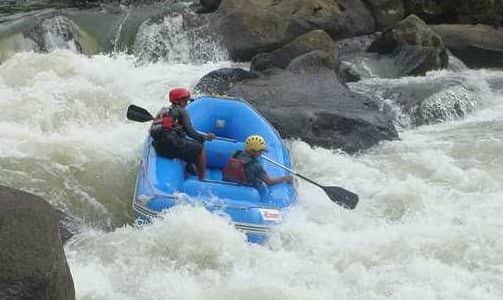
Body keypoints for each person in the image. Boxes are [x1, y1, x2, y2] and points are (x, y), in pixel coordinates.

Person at [150, 87, 215, 181]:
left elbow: (159, 130)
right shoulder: (181, 111)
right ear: (179, 101)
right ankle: (202, 179)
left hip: (159, 148)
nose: (187, 103)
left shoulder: (163, 111)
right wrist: (204, 138)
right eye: (185, 101)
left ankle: (190, 167)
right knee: (199, 148)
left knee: (185, 143)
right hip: (170, 147)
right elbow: (191, 132)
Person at [223, 135, 293, 187]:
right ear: (253, 151)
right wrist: (285, 178)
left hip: (229, 182)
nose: (261, 153)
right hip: (244, 188)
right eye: (260, 151)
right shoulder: (256, 166)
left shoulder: (236, 153)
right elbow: (269, 182)